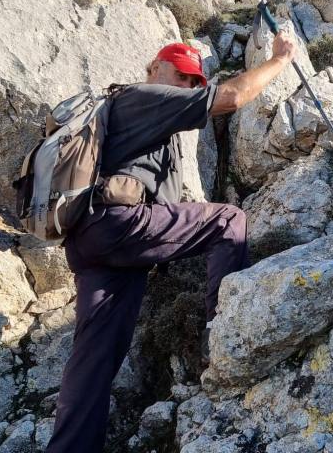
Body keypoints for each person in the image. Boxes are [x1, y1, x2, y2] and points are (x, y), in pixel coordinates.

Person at [45, 31, 296, 453]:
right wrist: (279, 61)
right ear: (154, 68)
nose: (186, 86)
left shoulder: (133, 116)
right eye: (180, 74)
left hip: (95, 241)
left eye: (194, 82)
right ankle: (224, 335)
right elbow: (231, 99)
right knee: (227, 220)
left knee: (94, 361)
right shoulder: (143, 96)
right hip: (119, 224)